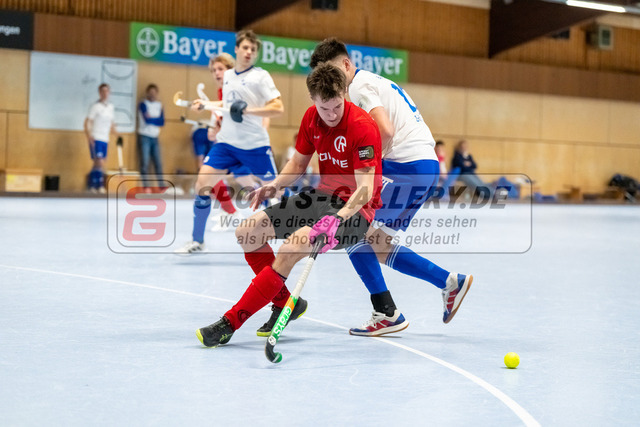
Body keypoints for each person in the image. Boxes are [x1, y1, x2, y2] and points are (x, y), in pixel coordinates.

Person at [195, 62, 383, 347]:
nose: (332, 115)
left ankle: (230, 323)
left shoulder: (362, 126)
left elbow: (366, 189)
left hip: (354, 212)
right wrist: (274, 185)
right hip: (321, 197)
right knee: (248, 232)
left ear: (344, 93)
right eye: (325, 108)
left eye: (337, 106)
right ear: (312, 99)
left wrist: (337, 219)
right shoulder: (311, 118)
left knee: (291, 247)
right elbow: (297, 163)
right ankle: (286, 302)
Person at [308, 38, 473, 336]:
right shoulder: (372, 81)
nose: (330, 81)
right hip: (423, 168)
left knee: (351, 229)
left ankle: (387, 313)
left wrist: (367, 171)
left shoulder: (358, 86)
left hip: (405, 167)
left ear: (346, 64)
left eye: (332, 71)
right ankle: (449, 282)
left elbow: (385, 130)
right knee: (378, 244)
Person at [175, 30, 284, 254]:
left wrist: (248, 110)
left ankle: (301, 229)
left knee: (276, 192)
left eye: (253, 49)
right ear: (236, 49)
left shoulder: (261, 76)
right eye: (245, 47)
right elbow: (227, 104)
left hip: (254, 145)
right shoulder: (228, 77)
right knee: (202, 184)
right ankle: (197, 241)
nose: (249, 52)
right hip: (226, 145)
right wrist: (206, 105)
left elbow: (277, 107)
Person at [84, 83, 119, 193]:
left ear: (109, 92)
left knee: (98, 163)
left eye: (107, 91)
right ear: (99, 93)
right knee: (99, 162)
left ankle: (91, 185)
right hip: (96, 137)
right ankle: (99, 185)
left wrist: (117, 135)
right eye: (102, 91)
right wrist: (89, 135)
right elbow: (88, 122)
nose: (105, 93)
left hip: (105, 138)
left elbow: (111, 123)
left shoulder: (110, 107)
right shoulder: (95, 107)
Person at [137, 83, 165, 191]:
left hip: (155, 136)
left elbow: (162, 122)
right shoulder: (143, 104)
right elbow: (147, 120)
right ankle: (146, 186)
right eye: (150, 92)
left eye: (154, 92)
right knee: (145, 162)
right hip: (145, 136)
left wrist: (152, 119)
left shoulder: (159, 105)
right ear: (147, 93)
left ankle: (161, 186)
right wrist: (155, 119)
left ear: (157, 93)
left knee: (158, 162)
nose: (152, 94)